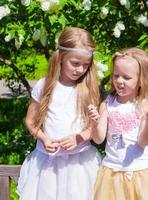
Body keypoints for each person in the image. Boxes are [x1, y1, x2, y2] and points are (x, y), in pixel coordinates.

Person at [17, 27, 102, 200]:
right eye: (75, 63)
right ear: (61, 58)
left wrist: (79, 138)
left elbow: (95, 128)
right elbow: (30, 121)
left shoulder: (88, 89)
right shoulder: (44, 85)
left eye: (86, 65)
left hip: (79, 164)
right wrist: (43, 138)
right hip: (47, 164)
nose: (80, 69)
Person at [88, 47, 148, 200]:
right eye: (116, 76)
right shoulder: (107, 104)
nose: (119, 81)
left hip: (141, 172)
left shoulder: (144, 105)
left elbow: (143, 142)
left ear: (141, 80)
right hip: (112, 173)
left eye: (126, 77)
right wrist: (95, 122)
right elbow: (98, 139)